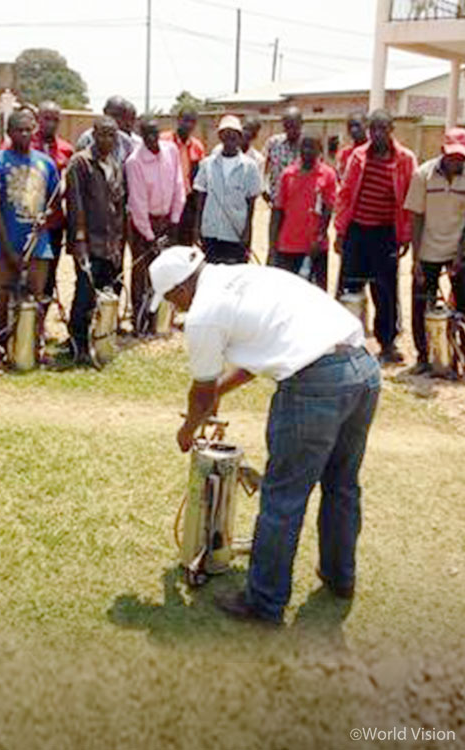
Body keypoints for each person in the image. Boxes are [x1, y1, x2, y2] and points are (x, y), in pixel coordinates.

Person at [150, 245, 379, 626]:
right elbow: (258, 357)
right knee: (342, 486)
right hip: (363, 371)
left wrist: (187, 429)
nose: (176, 308)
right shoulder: (243, 277)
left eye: (172, 300)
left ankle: (264, 603)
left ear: (180, 289)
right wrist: (219, 394)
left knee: (282, 499)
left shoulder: (204, 313)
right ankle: (341, 578)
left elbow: (201, 391)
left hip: (313, 384)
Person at [334, 109, 417, 365]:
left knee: (385, 290)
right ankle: (346, 342)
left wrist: (404, 236)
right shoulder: (358, 156)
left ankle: (387, 343)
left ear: (392, 130)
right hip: (357, 231)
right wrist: (340, 230)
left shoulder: (404, 159)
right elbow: (346, 194)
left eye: (383, 129)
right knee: (350, 287)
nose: (377, 134)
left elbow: (407, 200)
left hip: (385, 233)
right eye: (374, 129)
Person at [0, 110, 60, 354]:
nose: (25, 134)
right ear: (9, 133)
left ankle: (28, 348)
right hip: (4, 248)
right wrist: (8, 252)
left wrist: (47, 217)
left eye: (29, 129)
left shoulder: (45, 163)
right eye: (19, 130)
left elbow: (54, 200)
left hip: (38, 246)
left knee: (33, 301)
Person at [403, 128, 465, 375]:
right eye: (452, 156)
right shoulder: (423, 175)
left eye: (461, 157)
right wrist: (416, 259)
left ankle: (456, 356)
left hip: (458, 248)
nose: (456, 162)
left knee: (461, 307)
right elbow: (416, 218)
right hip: (428, 250)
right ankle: (423, 356)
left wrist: (460, 256)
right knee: (421, 304)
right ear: (443, 152)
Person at [64, 116, 125, 362]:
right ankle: (76, 344)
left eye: (112, 135)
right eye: (102, 134)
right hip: (88, 243)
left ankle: (99, 341)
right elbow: (75, 204)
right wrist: (80, 243)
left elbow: (119, 206)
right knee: (84, 295)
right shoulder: (80, 163)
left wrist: (119, 243)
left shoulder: (115, 164)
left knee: (105, 294)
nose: (107, 140)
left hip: (110, 244)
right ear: (94, 134)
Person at [0, 102, 74, 301]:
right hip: (24, 221)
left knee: (47, 277)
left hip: (53, 224)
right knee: (17, 273)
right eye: (46, 118)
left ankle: (39, 322)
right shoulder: (21, 145)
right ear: (37, 120)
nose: (50, 123)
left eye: (55, 119)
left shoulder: (67, 150)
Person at [125, 118, 186, 333]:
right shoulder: (135, 162)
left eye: (155, 134)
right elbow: (138, 203)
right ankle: (140, 321)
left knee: (166, 271)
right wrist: (150, 237)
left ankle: (161, 322)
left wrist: (174, 222)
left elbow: (179, 185)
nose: (153, 139)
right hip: (143, 225)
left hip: (168, 221)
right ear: (141, 136)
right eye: (147, 135)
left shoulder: (171, 151)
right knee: (143, 273)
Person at [268, 133, 336, 289]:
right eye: (304, 146)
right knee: (287, 291)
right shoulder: (287, 174)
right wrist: (273, 247)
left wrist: (319, 237)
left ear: (319, 149)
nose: (307, 150)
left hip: (315, 247)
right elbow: (278, 211)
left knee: (316, 292)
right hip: (288, 245)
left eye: (311, 147)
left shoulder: (328, 175)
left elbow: (328, 209)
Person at [192, 115, 261, 264]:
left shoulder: (250, 167)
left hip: (235, 233)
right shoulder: (207, 164)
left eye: (233, 132)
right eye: (225, 132)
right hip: (211, 232)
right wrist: (197, 229)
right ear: (220, 136)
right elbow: (201, 199)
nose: (229, 136)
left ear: (240, 136)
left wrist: (247, 233)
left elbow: (251, 204)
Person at [164, 107, 206, 246]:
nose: (188, 125)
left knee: (185, 243)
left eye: (192, 121)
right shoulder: (164, 141)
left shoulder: (197, 147)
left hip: (188, 202)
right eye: (185, 120)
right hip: (167, 201)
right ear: (178, 120)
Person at [75, 96, 141, 163]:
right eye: (114, 114)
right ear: (104, 111)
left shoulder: (126, 142)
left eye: (121, 116)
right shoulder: (87, 139)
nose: (117, 119)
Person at [263, 106, 304, 207]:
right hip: (277, 202)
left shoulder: (308, 146)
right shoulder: (273, 143)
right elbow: (262, 167)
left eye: (294, 126)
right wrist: (264, 189)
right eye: (287, 126)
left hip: (301, 204)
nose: (291, 130)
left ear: (301, 124)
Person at [336, 112, 369, 178]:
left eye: (357, 125)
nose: (353, 130)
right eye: (350, 126)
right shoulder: (344, 153)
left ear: (366, 126)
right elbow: (339, 177)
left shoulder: (373, 150)